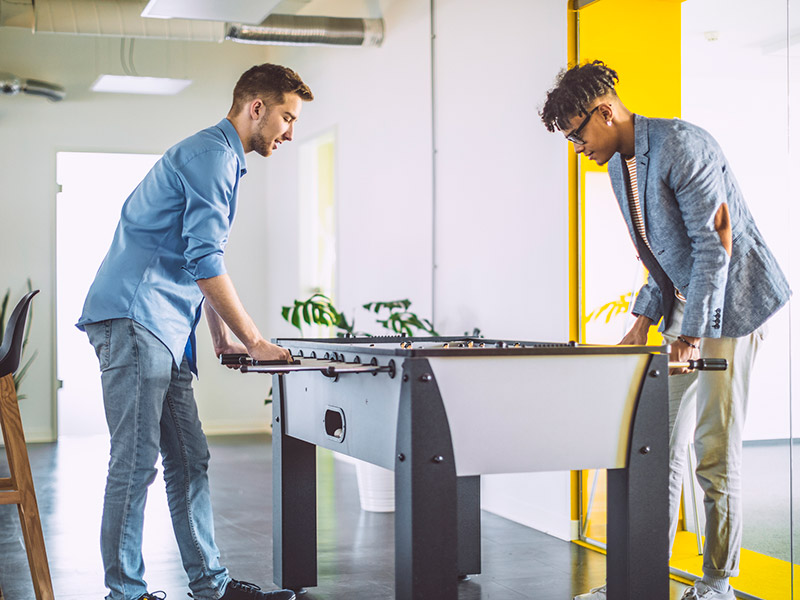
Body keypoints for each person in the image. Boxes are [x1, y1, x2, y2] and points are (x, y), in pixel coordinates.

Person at [540, 61, 791, 600]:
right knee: (656, 447)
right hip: (687, 308)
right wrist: (642, 320)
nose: (577, 147)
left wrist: (691, 332)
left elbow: (711, 250)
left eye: (577, 134)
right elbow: (658, 255)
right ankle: (640, 579)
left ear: (604, 112)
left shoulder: (683, 145)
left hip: (732, 307)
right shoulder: (616, 167)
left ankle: (717, 583)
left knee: (713, 451)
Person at [77, 63, 314, 600]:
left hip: (163, 327)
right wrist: (253, 339)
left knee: (189, 460)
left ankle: (212, 585)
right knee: (134, 465)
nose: (290, 132)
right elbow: (205, 259)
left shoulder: (218, 156)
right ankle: (126, 595)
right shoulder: (213, 158)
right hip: (136, 318)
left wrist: (219, 336)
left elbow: (193, 257)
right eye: (286, 117)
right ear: (256, 108)